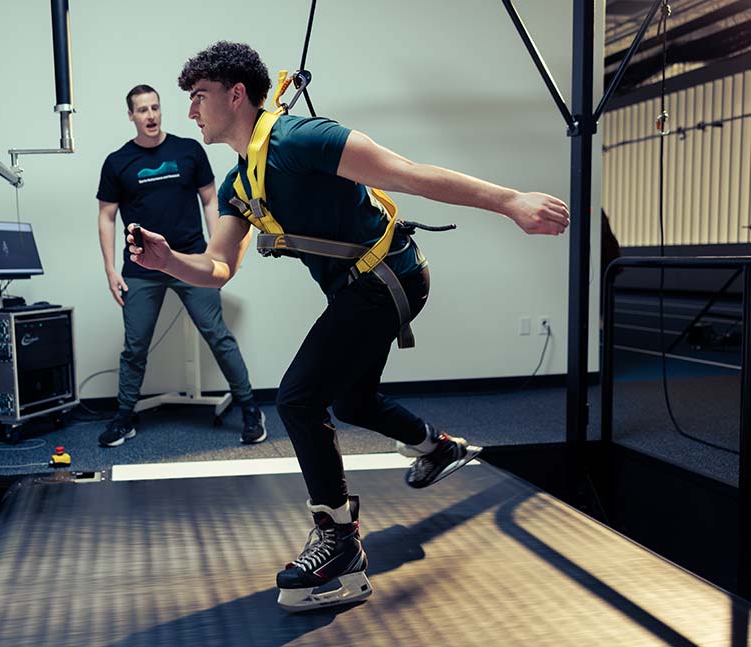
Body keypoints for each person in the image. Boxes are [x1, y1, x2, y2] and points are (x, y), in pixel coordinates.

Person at [127, 43, 569, 611]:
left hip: (389, 277)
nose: (189, 111)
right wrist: (168, 261)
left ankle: (339, 541)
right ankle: (437, 448)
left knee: (298, 398)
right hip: (357, 290)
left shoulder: (302, 139)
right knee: (353, 400)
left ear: (236, 95)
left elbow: (410, 175)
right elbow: (217, 269)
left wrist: (512, 202)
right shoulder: (240, 183)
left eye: (199, 97)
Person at [97, 84, 266, 448]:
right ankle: (123, 417)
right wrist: (110, 269)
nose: (151, 115)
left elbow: (211, 200)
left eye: (155, 107)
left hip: (191, 259)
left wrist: (218, 253)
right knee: (135, 346)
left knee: (217, 335)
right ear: (131, 115)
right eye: (143, 110)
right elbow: (106, 216)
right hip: (141, 267)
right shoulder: (117, 162)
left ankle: (251, 409)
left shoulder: (188, 151)